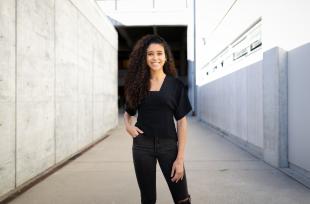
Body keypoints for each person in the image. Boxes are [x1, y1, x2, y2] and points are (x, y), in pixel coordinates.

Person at [123, 34, 192, 204]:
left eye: (159, 53)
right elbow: (128, 112)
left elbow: (182, 122)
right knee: (148, 199)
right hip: (142, 147)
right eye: (150, 54)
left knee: (182, 197)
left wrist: (180, 158)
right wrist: (128, 126)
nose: (155, 58)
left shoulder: (175, 86)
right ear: (144, 57)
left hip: (169, 146)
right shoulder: (137, 84)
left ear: (166, 56)